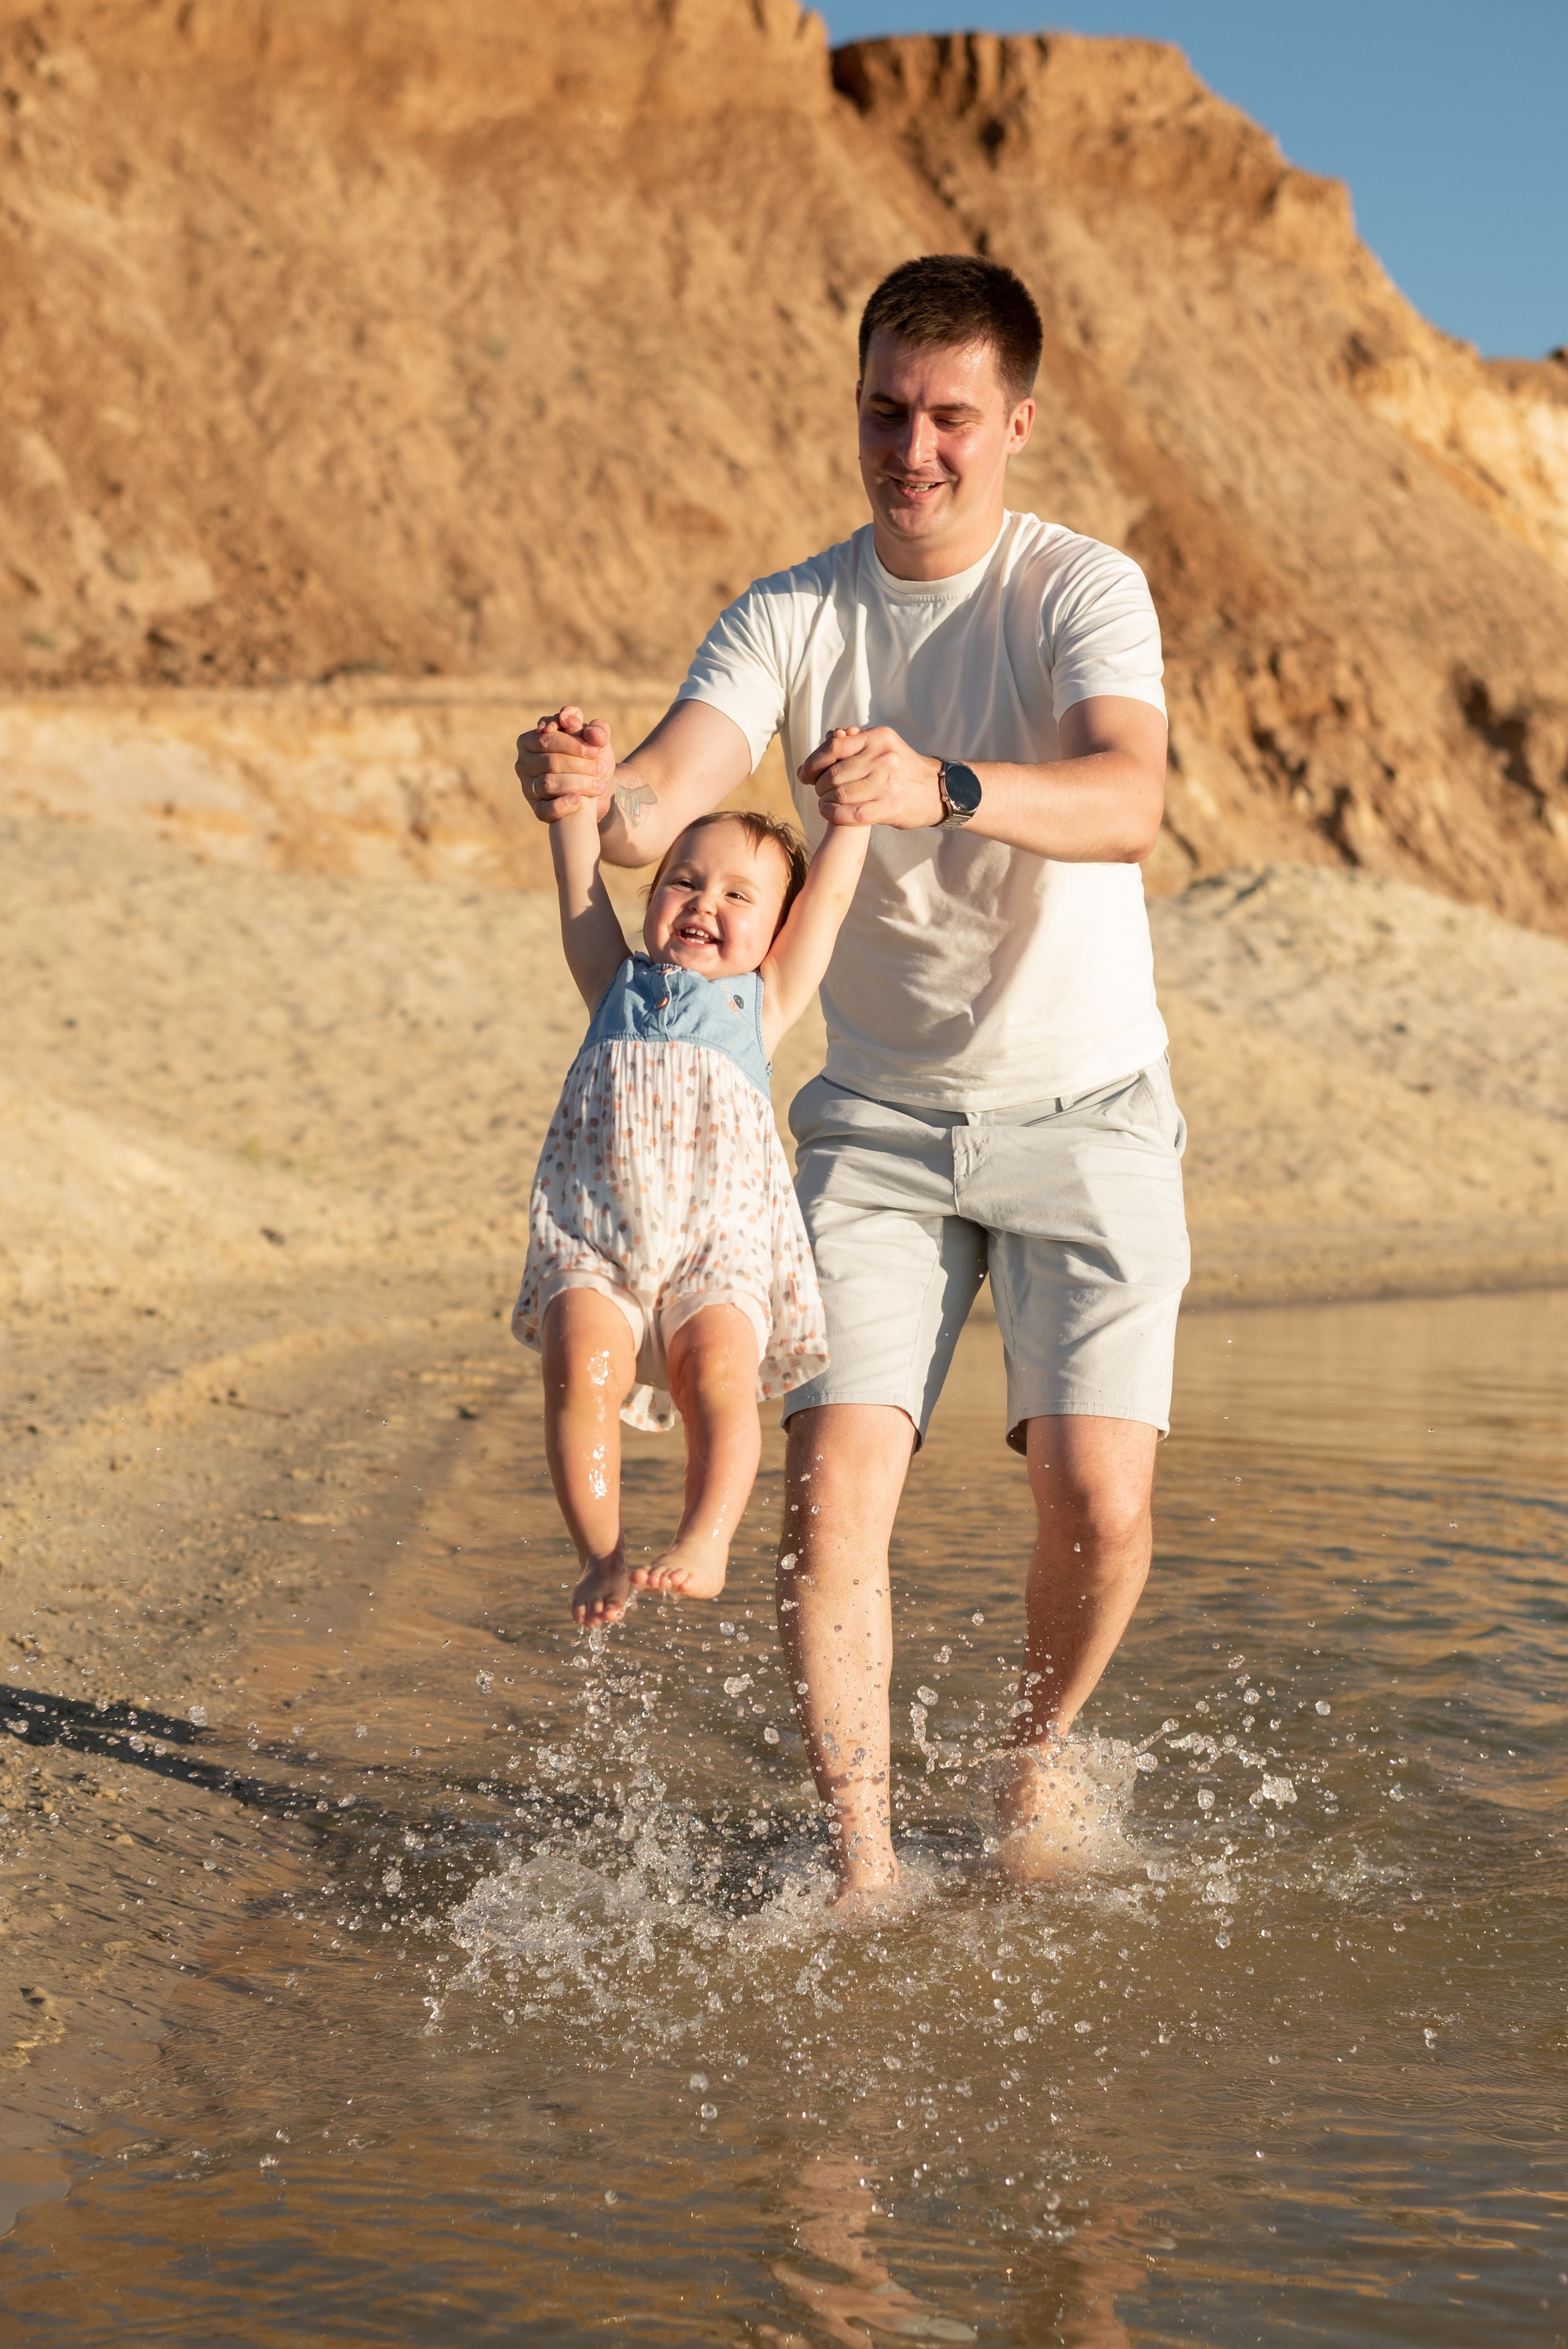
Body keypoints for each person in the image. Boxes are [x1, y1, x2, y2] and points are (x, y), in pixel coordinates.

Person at [516, 252, 1188, 1898]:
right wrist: (596, 794)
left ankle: (1033, 1765)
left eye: (953, 415)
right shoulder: (792, 610)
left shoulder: (1079, 588)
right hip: (874, 1120)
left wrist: (944, 781)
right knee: (825, 1495)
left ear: (1016, 423)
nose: (916, 448)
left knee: (1098, 1502)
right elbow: (684, 778)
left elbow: (1129, 798)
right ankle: (868, 1862)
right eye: (888, 409)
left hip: (1087, 1101)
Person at [514, 785, 870, 1627]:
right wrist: (572, 805)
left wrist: (850, 823)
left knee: (719, 1379)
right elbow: (580, 887)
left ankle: (706, 1540)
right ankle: (600, 1557)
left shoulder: (763, 999)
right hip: (597, 1236)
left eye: (738, 895)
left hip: (722, 1245)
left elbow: (834, 898)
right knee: (578, 1367)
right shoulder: (613, 982)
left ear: (777, 931)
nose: (703, 903)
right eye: (683, 881)